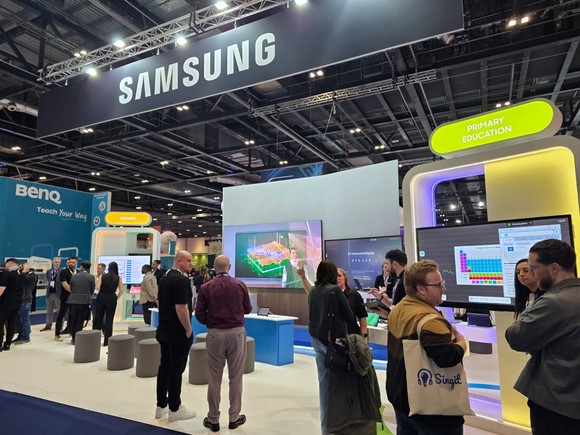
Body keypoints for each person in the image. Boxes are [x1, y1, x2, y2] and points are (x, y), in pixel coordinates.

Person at [505, 239, 580, 434]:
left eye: (533, 268)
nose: (532, 274)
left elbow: (516, 337)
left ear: (554, 268)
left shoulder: (553, 302)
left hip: (556, 404)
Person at [387, 260, 467, 434]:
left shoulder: (398, 309)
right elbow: (446, 358)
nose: (443, 288)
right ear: (421, 289)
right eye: (439, 285)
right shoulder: (430, 319)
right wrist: (461, 344)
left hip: (402, 399)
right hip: (432, 409)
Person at [195, 255, 252, 432]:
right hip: (236, 333)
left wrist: (212, 323)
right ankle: (234, 417)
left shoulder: (206, 287)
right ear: (230, 266)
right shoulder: (240, 285)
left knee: (214, 379)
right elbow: (248, 308)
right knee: (236, 378)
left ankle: (213, 419)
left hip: (215, 334)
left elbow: (199, 313)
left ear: (214, 267)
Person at [307, 260, 355, 434]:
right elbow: (350, 317)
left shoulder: (313, 290)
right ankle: (341, 426)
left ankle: (326, 428)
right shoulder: (334, 290)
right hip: (334, 344)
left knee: (324, 384)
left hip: (317, 340)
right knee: (340, 385)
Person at [155, 250, 196, 422]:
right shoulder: (181, 280)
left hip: (163, 329)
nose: (190, 264)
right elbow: (181, 308)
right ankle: (175, 408)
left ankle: (161, 405)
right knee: (176, 369)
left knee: (165, 366)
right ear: (178, 261)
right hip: (177, 332)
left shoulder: (164, 277)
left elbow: (159, 301)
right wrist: (188, 329)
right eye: (188, 261)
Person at [93, 261, 123, 346]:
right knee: (109, 320)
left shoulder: (102, 276)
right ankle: (107, 341)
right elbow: (121, 290)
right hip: (112, 297)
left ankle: (95, 339)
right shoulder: (118, 278)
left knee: (98, 318)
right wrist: (116, 298)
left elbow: (97, 287)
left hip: (102, 297)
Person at [67, 260, 95, 344]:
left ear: (82, 266)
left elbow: (71, 287)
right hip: (84, 301)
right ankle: (77, 338)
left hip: (73, 300)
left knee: (73, 319)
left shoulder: (74, 276)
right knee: (80, 320)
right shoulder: (91, 277)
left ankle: (73, 337)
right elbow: (92, 289)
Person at [0, 259, 24, 351]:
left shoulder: (7, 274)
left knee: (1, 322)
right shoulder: (21, 275)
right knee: (12, 323)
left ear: (9, 265)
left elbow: (1, 289)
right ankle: (7, 344)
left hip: (6, 303)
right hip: (17, 303)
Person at [337, 268, 368, 339]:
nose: (337, 278)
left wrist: (364, 339)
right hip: (336, 336)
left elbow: (362, 317)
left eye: (339, 276)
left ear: (345, 277)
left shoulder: (354, 295)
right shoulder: (331, 295)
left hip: (352, 335)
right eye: (334, 276)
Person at [55, 256, 77, 341]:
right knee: (62, 314)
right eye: (70, 262)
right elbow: (64, 284)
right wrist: (74, 291)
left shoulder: (78, 272)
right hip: (65, 297)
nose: (71, 264)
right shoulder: (64, 272)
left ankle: (71, 331)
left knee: (72, 314)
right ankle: (57, 334)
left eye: (73, 262)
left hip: (74, 298)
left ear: (76, 263)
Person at [14, 265, 37, 344]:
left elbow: (25, 278)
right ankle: (21, 336)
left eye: (22, 267)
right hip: (21, 300)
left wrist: (24, 271)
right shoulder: (25, 275)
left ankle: (26, 337)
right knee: (20, 320)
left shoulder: (32, 275)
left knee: (24, 319)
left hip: (26, 300)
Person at [41, 257, 62, 332]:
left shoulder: (62, 271)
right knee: (49, 311)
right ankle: (48, 325)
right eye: (56, 262)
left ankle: (60, 326)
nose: (57, 263)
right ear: (53, 263)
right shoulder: (49, 271)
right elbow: (48, 280)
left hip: (58, 294)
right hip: (49, 293)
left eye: (58, 262)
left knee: (60, 311)